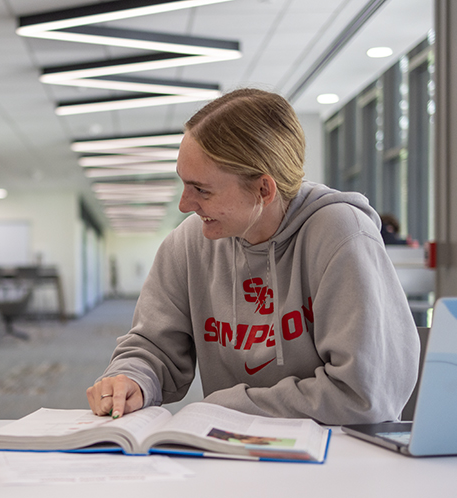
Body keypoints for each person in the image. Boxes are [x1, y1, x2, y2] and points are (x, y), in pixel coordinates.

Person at [86, 89, 418, 425]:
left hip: (337, 456)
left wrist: (224, 408)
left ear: (264, 189)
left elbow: (364, 395)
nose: (184, 205)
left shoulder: (342, 235)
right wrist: (132, 378)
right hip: (232, 449)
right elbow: (152, 346)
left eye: (202, 189)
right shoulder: (189, 243)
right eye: (183, 184)